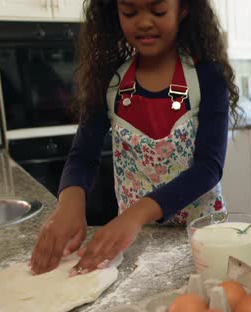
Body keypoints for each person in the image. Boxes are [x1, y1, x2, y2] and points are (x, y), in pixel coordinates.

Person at [30, 0, 239, 276]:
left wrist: (135, 214)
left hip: (202, 240)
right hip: (136, 242)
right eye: (130, 12)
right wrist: (69, 204)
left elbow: (208, 168)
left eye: (158, 11)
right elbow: (82, 156)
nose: (143, 22)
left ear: (184, 8)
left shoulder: (207, 77)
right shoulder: (112, 81)